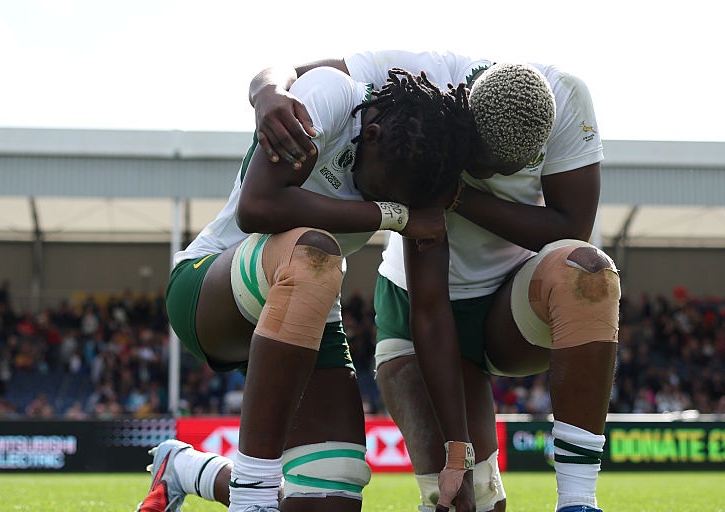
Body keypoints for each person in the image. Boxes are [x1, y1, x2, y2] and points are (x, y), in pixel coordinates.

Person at [250, 50, 619, 512]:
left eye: (506, 172)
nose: (490, 176)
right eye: (480, 165)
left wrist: (459, 195)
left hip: (508, 307)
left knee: (587, 271)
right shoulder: (421, 78)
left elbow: (572, 227)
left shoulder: (565, 97)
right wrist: (267, 91)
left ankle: (579, 500)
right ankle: (199, 472)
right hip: (418, 306)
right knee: (469, 501)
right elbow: (298, 72)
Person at [135, 66, 474, 512]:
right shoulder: (331, 97)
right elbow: (258, 206)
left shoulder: (423, 169)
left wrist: (458, 453)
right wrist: (394, 215)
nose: (398, 203)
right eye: (392, 194)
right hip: (210, 288)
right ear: (371, 136)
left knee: (330, 495)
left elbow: (430, 313)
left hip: (309, 312)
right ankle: (252, 498)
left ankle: (186, 469)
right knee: (314, 251)